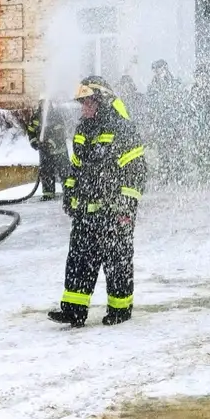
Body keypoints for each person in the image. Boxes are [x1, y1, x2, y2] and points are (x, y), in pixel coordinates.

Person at [49, 76, 148, 328]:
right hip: (86, 212)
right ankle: (74, 310)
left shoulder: (122, 129)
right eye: (82, 103)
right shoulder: (84, 129)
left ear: (101, 101)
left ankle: (120, 310)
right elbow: (76, 168)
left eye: (88, 102)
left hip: (115, 213)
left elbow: (136, 171)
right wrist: (70, 195)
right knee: (79, 260)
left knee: (117, 263)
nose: (84, 108)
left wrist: (125, 207)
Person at [146, 60, 185, 185]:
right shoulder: (152, 86)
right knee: (163, 151)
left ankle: (179, 174)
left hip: (173, 122)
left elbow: (180, 103)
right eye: (155, 70)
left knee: (177, 149)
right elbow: (150, 105)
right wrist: (153, 121)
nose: (157, 72)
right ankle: (165, 175)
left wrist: (179, 120)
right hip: (161, 124)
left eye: (159, 69)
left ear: (165, 68)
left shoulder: (174, 83)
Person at [26, 99, 70, 201]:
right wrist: (35, 143)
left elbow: (61, 130)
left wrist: (51, 139)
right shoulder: (36, 116)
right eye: (42, 103)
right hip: (45, 151)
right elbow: (31, 131)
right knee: (46, 172)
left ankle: (69, 192)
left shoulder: (56, 115)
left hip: (60, 151)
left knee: (65, 172)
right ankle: (48, 194)